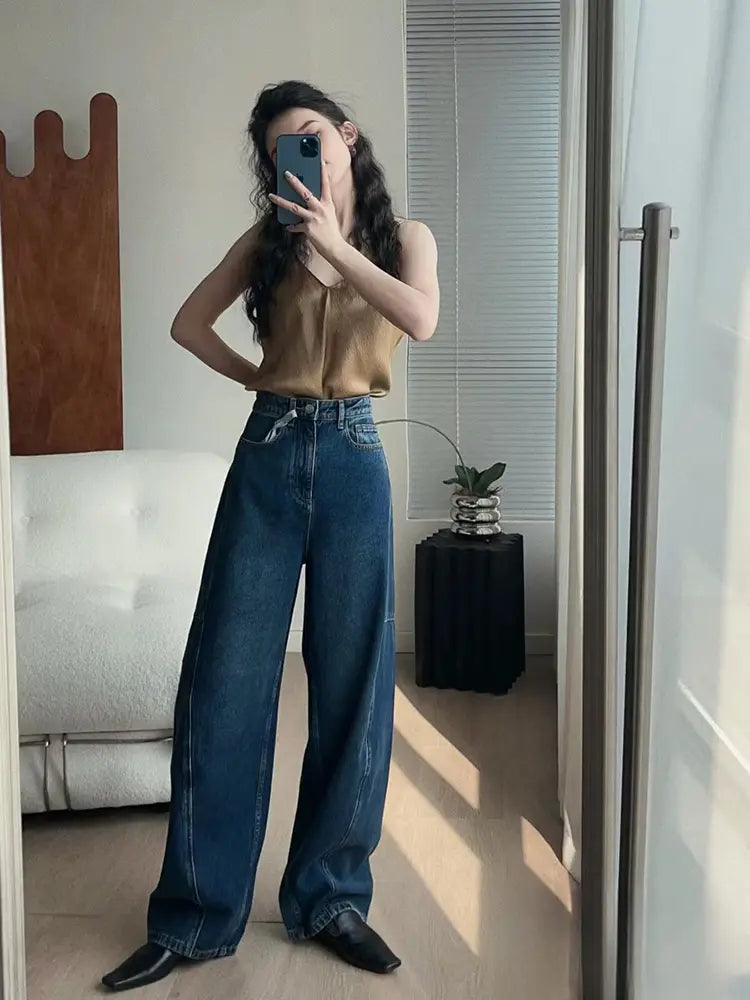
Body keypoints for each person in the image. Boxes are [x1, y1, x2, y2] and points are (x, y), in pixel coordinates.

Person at [102, 80, 439, 992]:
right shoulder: (267, 243)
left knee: (353, 684)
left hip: (356, 461)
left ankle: (330, 899)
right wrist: (256, 375)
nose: (305, 158)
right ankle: (195, 915)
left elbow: (420, 319)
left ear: (348, 137)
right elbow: (186, 324)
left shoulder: (406, 239)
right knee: (225, 680)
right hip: (269, 454)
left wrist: (335, 246)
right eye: (284, 150)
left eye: (314, 137)